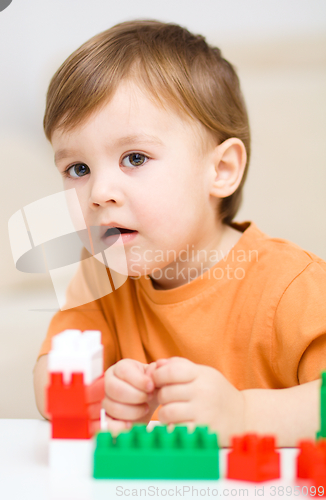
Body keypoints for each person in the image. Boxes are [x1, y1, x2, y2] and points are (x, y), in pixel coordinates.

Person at [33, 19, 326, 447]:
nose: (99, 192)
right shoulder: (101, 275)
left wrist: (243, 414)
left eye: (134, 157)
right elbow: (48, 383)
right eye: (78, 169)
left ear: (221, 170)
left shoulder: (292, 286)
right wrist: (94, 394)